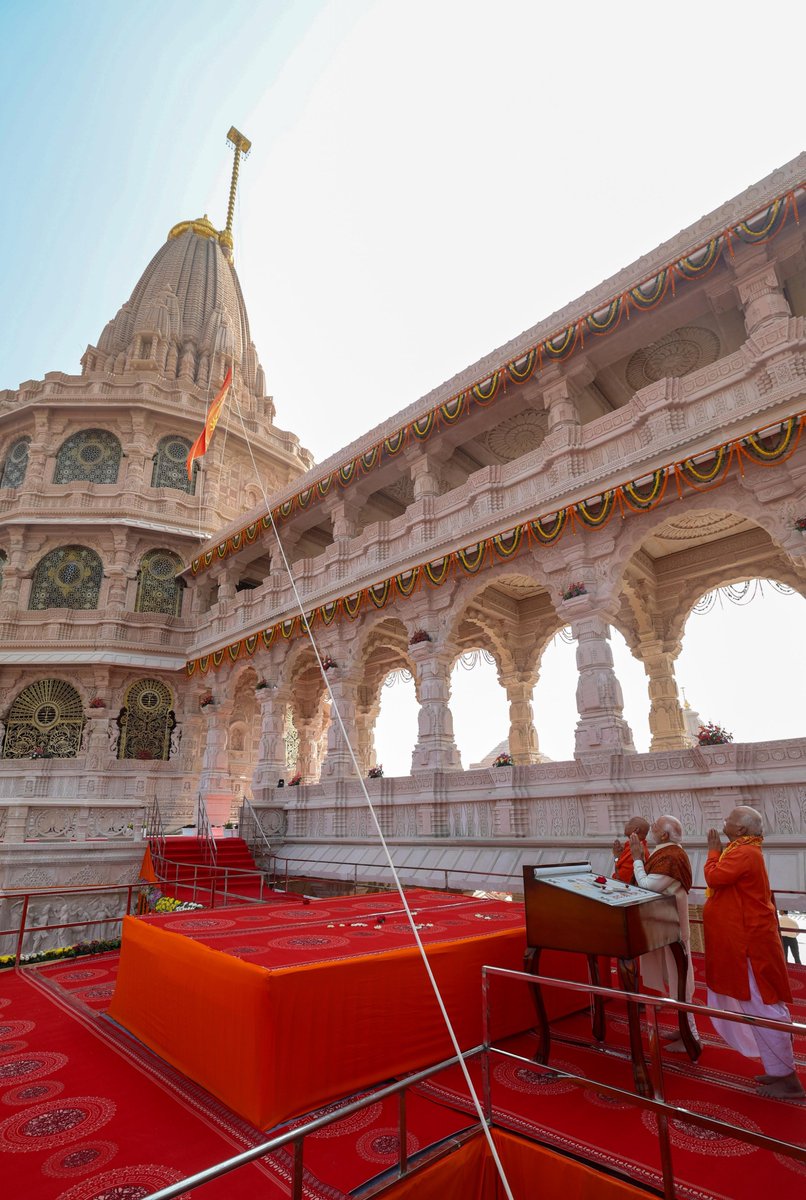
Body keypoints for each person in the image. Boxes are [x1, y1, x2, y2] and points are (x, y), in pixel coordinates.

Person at [704, 805, 804, 1099]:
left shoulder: (743, 852)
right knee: (758, 1005)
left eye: (729, 820)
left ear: (742, 830)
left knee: (764, 1004)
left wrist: (712, 852)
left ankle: (788, 1080)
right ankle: (778, 1071)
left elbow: (715, 878)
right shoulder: (744, 849)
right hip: (748, 939)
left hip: (749, 944)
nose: (723, 822)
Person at [629, 815, 699, 1052]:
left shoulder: (671, 856)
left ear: (665, 835)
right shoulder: (668, 852)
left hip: (673, 927)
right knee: (674, 978)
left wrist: (637, 859)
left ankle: (692, 1037)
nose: (652, 829)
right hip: (666, 924)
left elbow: (647, 886)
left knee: (681, 981)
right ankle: (684, 1029)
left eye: (656, 827)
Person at [612, 816, 649, 883]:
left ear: (636, 830)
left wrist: (616, 857)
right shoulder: (632, 846)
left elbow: (620, 879)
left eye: (629, 823)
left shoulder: (636, 850)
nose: (626, 825)